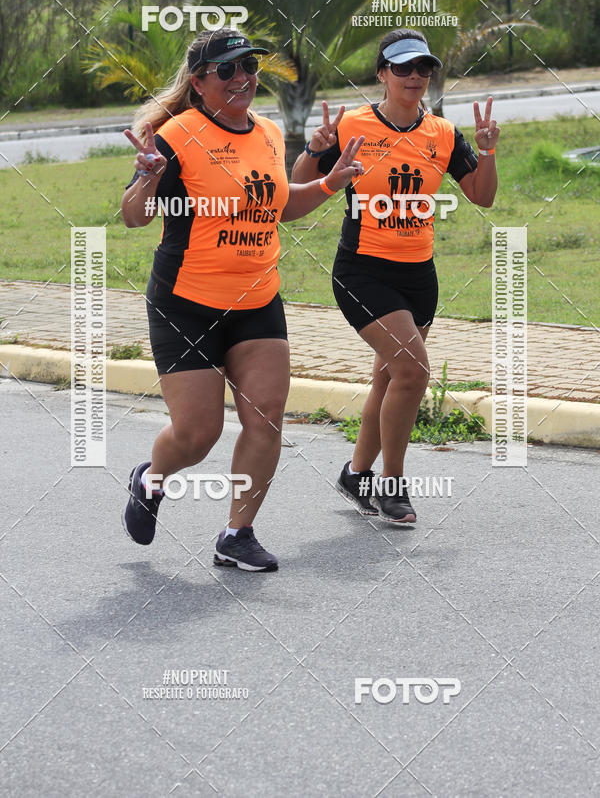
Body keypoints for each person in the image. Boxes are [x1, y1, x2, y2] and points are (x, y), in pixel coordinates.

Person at [121, 28, 364, 570]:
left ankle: (237, 533)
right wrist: (145, 182)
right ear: (200, 82)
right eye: (227, 70)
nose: (242, 78)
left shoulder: (271, 134)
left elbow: (277, 206)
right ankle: (150, 479)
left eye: (249, 67)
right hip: (186, 304)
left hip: (257, 301)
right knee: (198, 433)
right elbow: (136, 216)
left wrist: (330, 182)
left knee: (267, 416)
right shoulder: (176, 134)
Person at [292, 28, 499, 524]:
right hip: (362, 271)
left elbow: (483, 196)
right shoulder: (352, 126)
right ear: (382, 74)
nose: (414, 77)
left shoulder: (443, 134)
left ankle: (356, 473)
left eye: (423, 68)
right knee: (412, 372)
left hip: (418, 276)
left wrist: (488, 152)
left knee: (389, 379)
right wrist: (313, 148)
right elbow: (293, 191)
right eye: (402, 68)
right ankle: (392, 484)